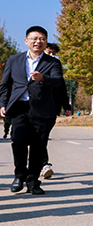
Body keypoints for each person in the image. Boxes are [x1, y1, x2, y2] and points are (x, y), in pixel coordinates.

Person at [0, 26, 65, 195]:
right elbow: (5, 84)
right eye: (34, 38)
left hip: (43, 111)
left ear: (46, 42)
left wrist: (43, 78)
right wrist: (3, 104)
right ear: (26, 41)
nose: (38, 42)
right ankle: (19, 176)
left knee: (38, 146)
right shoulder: (15, 60)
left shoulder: (53, 62)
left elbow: (58, 82)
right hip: (20, 108)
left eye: (42, 39)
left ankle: (33, 181)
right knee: (18, 142)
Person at [39, 42, 71, 180]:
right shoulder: (34, 66)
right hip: (34, 107)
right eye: (49, 52)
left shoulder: (56, 68)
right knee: (35, 137)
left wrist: (67, 106)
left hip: (51, 108)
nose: (51, 55)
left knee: (42, 136)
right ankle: (41, 164)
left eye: (53, 53)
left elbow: (62, 88)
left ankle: (43, 164)